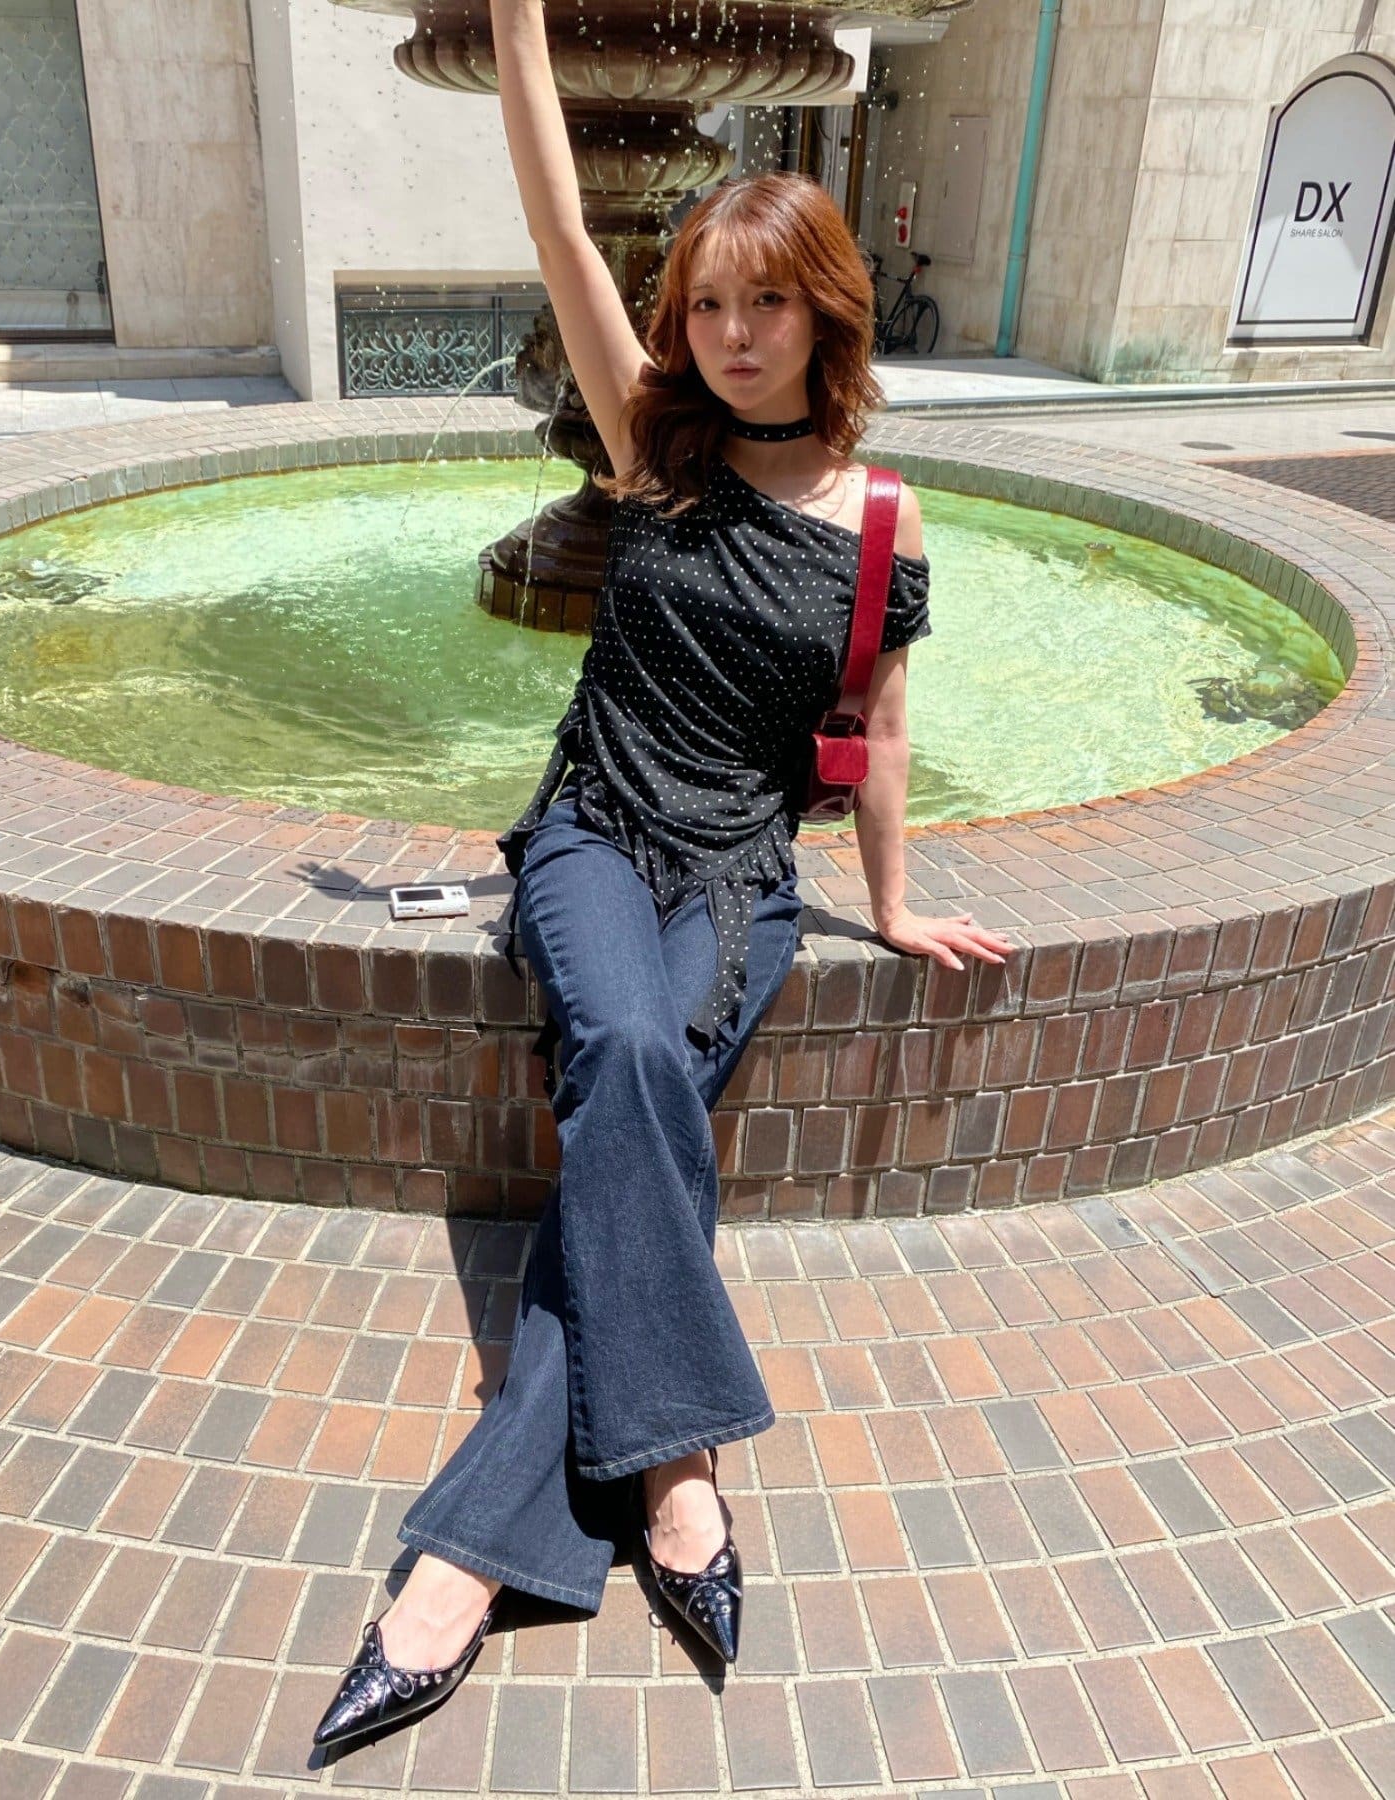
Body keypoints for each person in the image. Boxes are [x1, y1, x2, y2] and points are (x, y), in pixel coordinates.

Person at [312, 0, 1012, 1749]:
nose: (731, 334)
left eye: (763, 303)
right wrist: (520, 27)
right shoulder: (651, 440)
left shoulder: (881, 520)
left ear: (826, 309)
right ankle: (680, 1465)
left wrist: (892, 899)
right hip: (595, 834)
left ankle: (465, 1562)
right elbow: (561, 218)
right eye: (706, 305)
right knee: (628, 1050)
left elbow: (877, 729)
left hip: (738, 872)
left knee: (636, 1107)